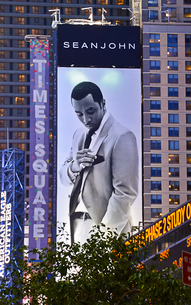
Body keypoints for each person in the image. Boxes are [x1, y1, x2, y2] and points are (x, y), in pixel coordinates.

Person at [59, 81, 139, 244]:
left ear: (102, 104)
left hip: (108, 230)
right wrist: (75, 166)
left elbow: (125, 193)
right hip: (77, 226)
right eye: (79, 114)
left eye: (90, 111)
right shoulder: (79, 135)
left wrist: (103, 237)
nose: (86, 119)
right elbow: (63, 177)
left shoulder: (122, 136)